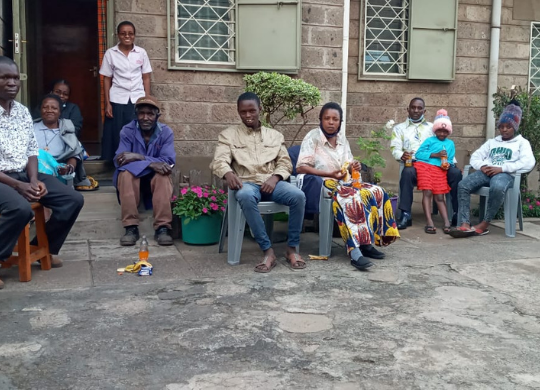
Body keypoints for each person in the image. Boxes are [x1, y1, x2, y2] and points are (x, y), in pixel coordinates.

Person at [0, 56, 84, 289]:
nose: (12, 82)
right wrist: (19, 186)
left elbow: (31, 151)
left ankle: (43, 246)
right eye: (5, 77)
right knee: (20, 209)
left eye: (15, 78)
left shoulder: (22, 112)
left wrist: (34, 180)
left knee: (72, 199)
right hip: (3, 178)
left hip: (23, 174)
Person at [296, 102, 399, 271]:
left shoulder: (342, 139)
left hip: (342, 181)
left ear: (340, 121)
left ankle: (367, 242)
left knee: (376, 191)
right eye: (326, 118)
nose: (330, 122)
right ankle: (354, 251)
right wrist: (330, 174)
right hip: (319, 182)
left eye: (335, 119)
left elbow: (348, 164)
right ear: (320, 120)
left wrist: (353, 166)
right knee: (349, 196)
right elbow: (301, 167)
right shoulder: (312, 137)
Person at [210, 92, 306, 273]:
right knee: (245, 195)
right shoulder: (228, 135)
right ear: (238, 112)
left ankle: (291, 249)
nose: (248, 115)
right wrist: (228, 173)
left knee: (298, 196)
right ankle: (268, 251)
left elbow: (285, 163)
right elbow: (219, 161)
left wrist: (275, 177)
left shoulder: (275, 136)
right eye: (243, 112)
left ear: (259, 110)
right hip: (246, 183)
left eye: (252, 111)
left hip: (273, 182)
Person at [450, 101, 536, 238]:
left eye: (508, 126)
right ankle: (464, 224)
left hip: (506, 175)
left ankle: (484, 224)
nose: (504, 129)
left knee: (497, 186)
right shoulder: (492, 142)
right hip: (487, 172)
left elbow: (528, 162)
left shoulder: (522, 143)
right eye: (501, 127)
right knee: (463, 185)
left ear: (515, 127)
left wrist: (502, 168)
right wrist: (482, 166)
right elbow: (476, 157)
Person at [390, 97, 462, 229]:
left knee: (456, 173)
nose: (416, 110)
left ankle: (457, 213)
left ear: (424, 110)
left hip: (438, 165)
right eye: (413, 107)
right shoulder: (399, 129)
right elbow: (395, 148)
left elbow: (445, 146)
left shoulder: (433, 127)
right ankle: (406, 214)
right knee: (407, 172)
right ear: (408, 109)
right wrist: (402, 155)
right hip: (414, 163)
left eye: (419, 108)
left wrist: (453, 163)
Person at [114, 95, 175, 246]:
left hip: (154, 178)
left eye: (150, 114)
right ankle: (131, 227)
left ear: (157, 116)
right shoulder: (127, 131)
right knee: (126, 174)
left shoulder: (166, 132)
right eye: (141, 113)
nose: (145, 117)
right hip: (134, 178)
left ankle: (162, 227)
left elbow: (167, 162)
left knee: (163, 176)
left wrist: (138, 157)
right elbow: (121, 160)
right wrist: (151, 164)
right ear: (136, 115)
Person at [100, 21, 152, 162]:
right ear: (118, 35)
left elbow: (146, 77)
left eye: (130, 33)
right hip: (118, 98)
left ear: (134, 35)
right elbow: (106, 79)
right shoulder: (111, 53)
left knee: (137, 131)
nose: (127, 36)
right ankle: (117, 161)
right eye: (123, 33)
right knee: (118, 132)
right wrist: (108, 103)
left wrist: (147, 99)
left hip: (137, 98)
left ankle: (135, 160)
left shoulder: (141, 53)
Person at [33, 94, 96, 189]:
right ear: (40, 110)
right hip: (33, 172)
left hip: (59, 173)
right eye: (45, 107)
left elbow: (74, 154)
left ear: (60, 112)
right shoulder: (31, 128)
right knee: (40, 154)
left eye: (54, 108)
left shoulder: (67, 130)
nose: (49, 110)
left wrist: (68, 167)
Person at [414, 109, 456, 234]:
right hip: (425, 167)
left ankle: (446, 222)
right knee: (427, 192)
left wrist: (447, 164)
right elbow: (419, 154)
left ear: (448, 131)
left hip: (439, 170)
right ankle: (429, 221)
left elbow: (450, 159)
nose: (442, 133)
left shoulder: (450, 144)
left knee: (439, 196)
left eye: (445, 131)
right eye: (439, 130)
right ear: (435, 130)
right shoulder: (429, 141)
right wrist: (435, 154)